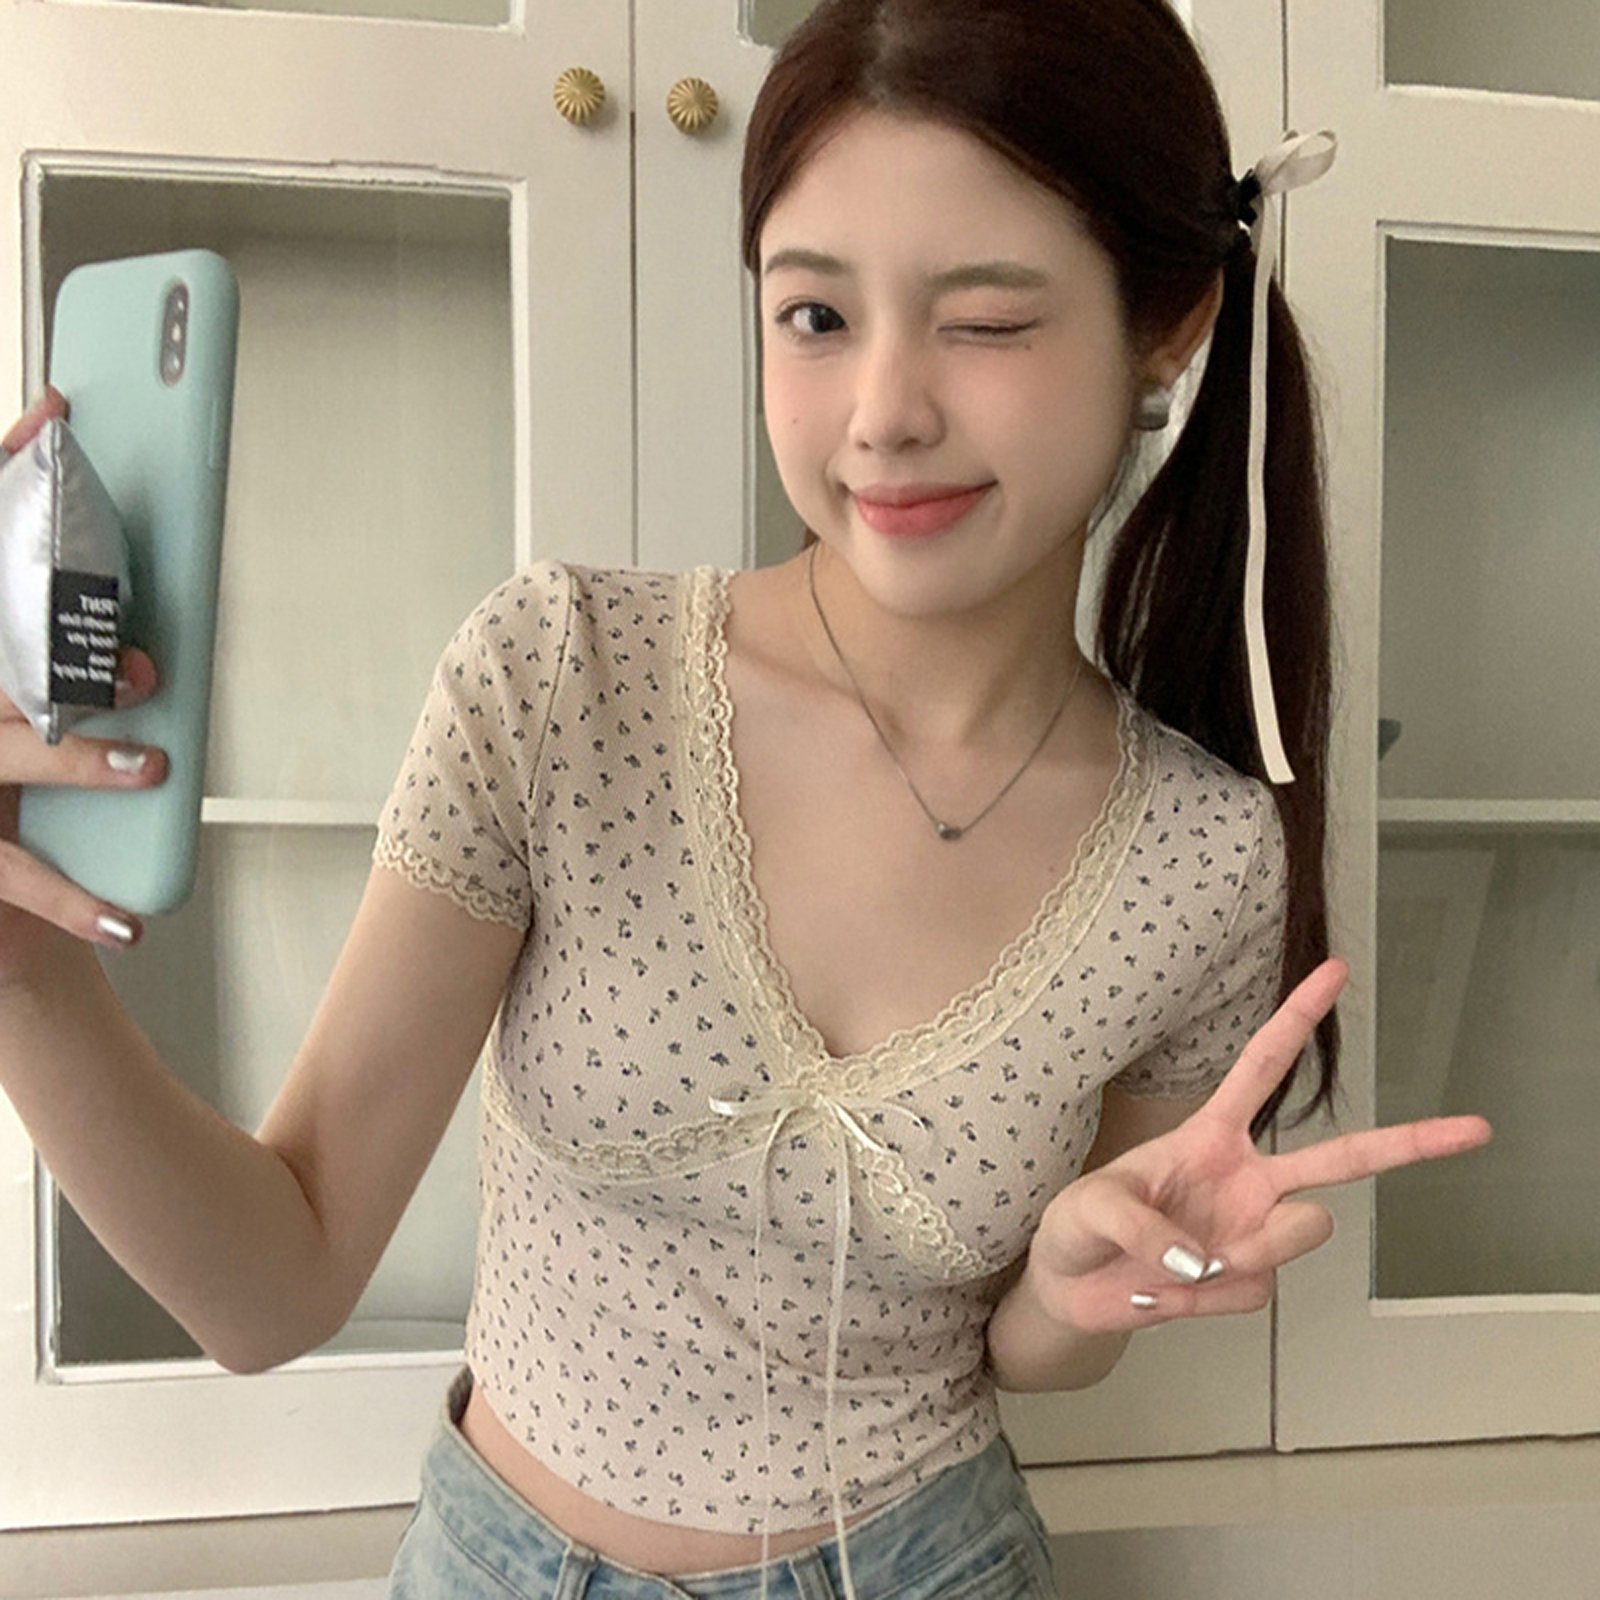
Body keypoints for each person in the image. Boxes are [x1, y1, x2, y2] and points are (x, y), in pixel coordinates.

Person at [0, 2, 1489, 1597]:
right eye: (815, 315)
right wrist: (23, 969)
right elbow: (271, 1286)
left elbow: (1047, 1346)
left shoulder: (1205, 858)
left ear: (1168, 324)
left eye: (987, 321)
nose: (884, 412)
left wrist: (1071, 1292)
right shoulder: (561, 680)